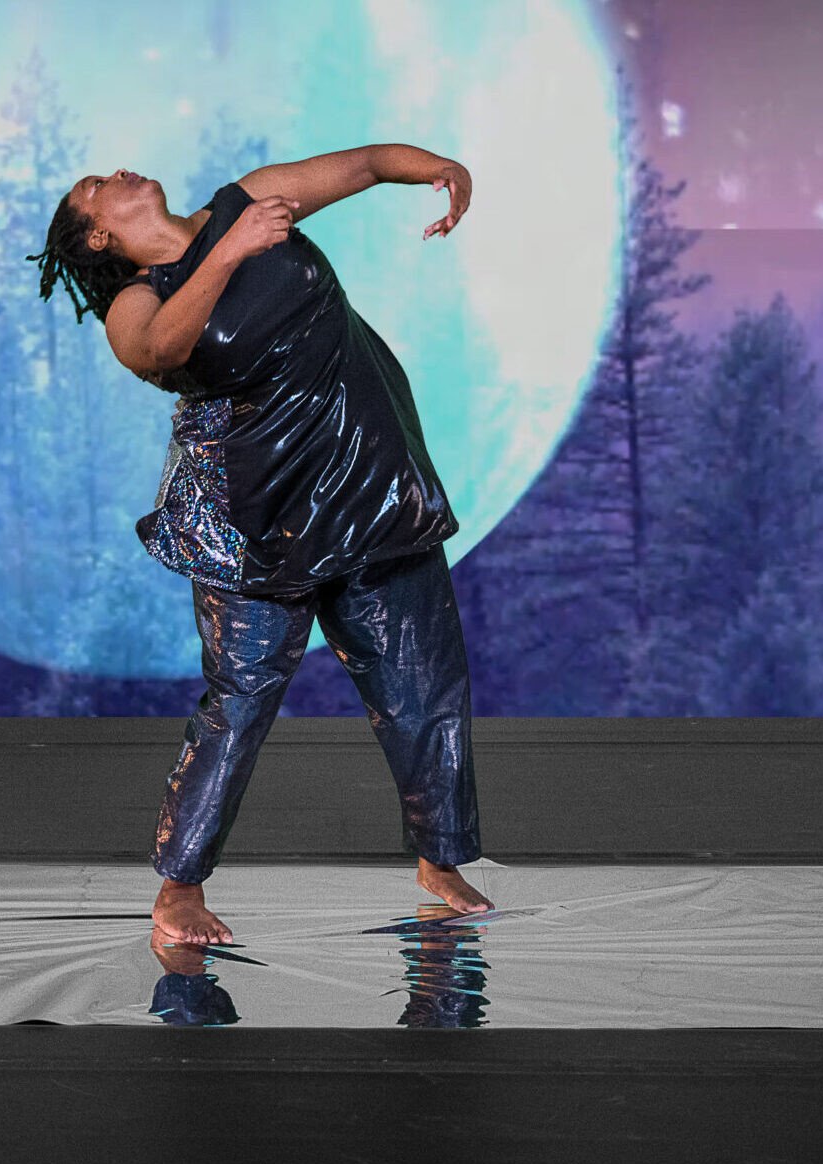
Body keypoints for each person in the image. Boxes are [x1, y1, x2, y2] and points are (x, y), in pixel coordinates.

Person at [28, 144, 490, 944]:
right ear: (97, 237)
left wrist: (445, 170)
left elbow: (374, 163)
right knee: (238, 705)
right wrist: (232, 251)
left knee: (424, 681)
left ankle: (441, 861)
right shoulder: (131, 307)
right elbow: (166, 349)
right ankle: (179, 891)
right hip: (255, 520)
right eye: (97, 187)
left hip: (366, 480)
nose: (121, 167)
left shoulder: (246, 198)